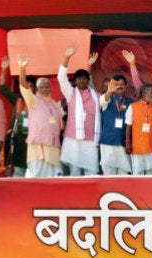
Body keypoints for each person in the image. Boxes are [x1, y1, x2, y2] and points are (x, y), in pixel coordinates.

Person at [57, 45, 101, 176]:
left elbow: (105, 100)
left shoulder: (96, 96)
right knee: (74, 172)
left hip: (91, 138)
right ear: (75, 81)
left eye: (84, 78)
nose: (82, 80)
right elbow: (61, 78)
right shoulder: (71, 94)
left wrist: (89, 66)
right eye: (79, 78)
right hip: (73, 138)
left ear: (88, 80)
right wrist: (67, 56)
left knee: (92, 172)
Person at [17, 54, 63, 177]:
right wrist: (22, 69)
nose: (45, 89)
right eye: (42, 87)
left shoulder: (54, 104)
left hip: (52, 147)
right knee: (36, 176)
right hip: (37, 146)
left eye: (47, 86)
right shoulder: (33, 100)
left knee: (53, 177)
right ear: (37, 89)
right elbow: (23, 87)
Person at [125, 84, 152, 175]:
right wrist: (128, 142)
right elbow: (128, 126)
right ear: (144, 94)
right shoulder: (133, 107)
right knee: (138, 174)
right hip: (138, 148)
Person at [0, 55, 31, 177]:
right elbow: (2, 88)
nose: (28, 89)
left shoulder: (38, 102)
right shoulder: (17, 100)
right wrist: (3, 69)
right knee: (18, 172)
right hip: (17, 140)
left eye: (31, 87)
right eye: (26, 87)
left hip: (33, 140)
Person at [99, 75, 133, 175]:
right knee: (108, 174)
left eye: (122, 84)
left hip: (123, 143)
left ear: (126, 86)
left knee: (123, 174)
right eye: (116, 84)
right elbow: (102, 102)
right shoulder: (108, 99)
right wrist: (108, 92)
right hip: (108, 143)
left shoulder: (130, 102)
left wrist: (128, 141)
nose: (119, 86)